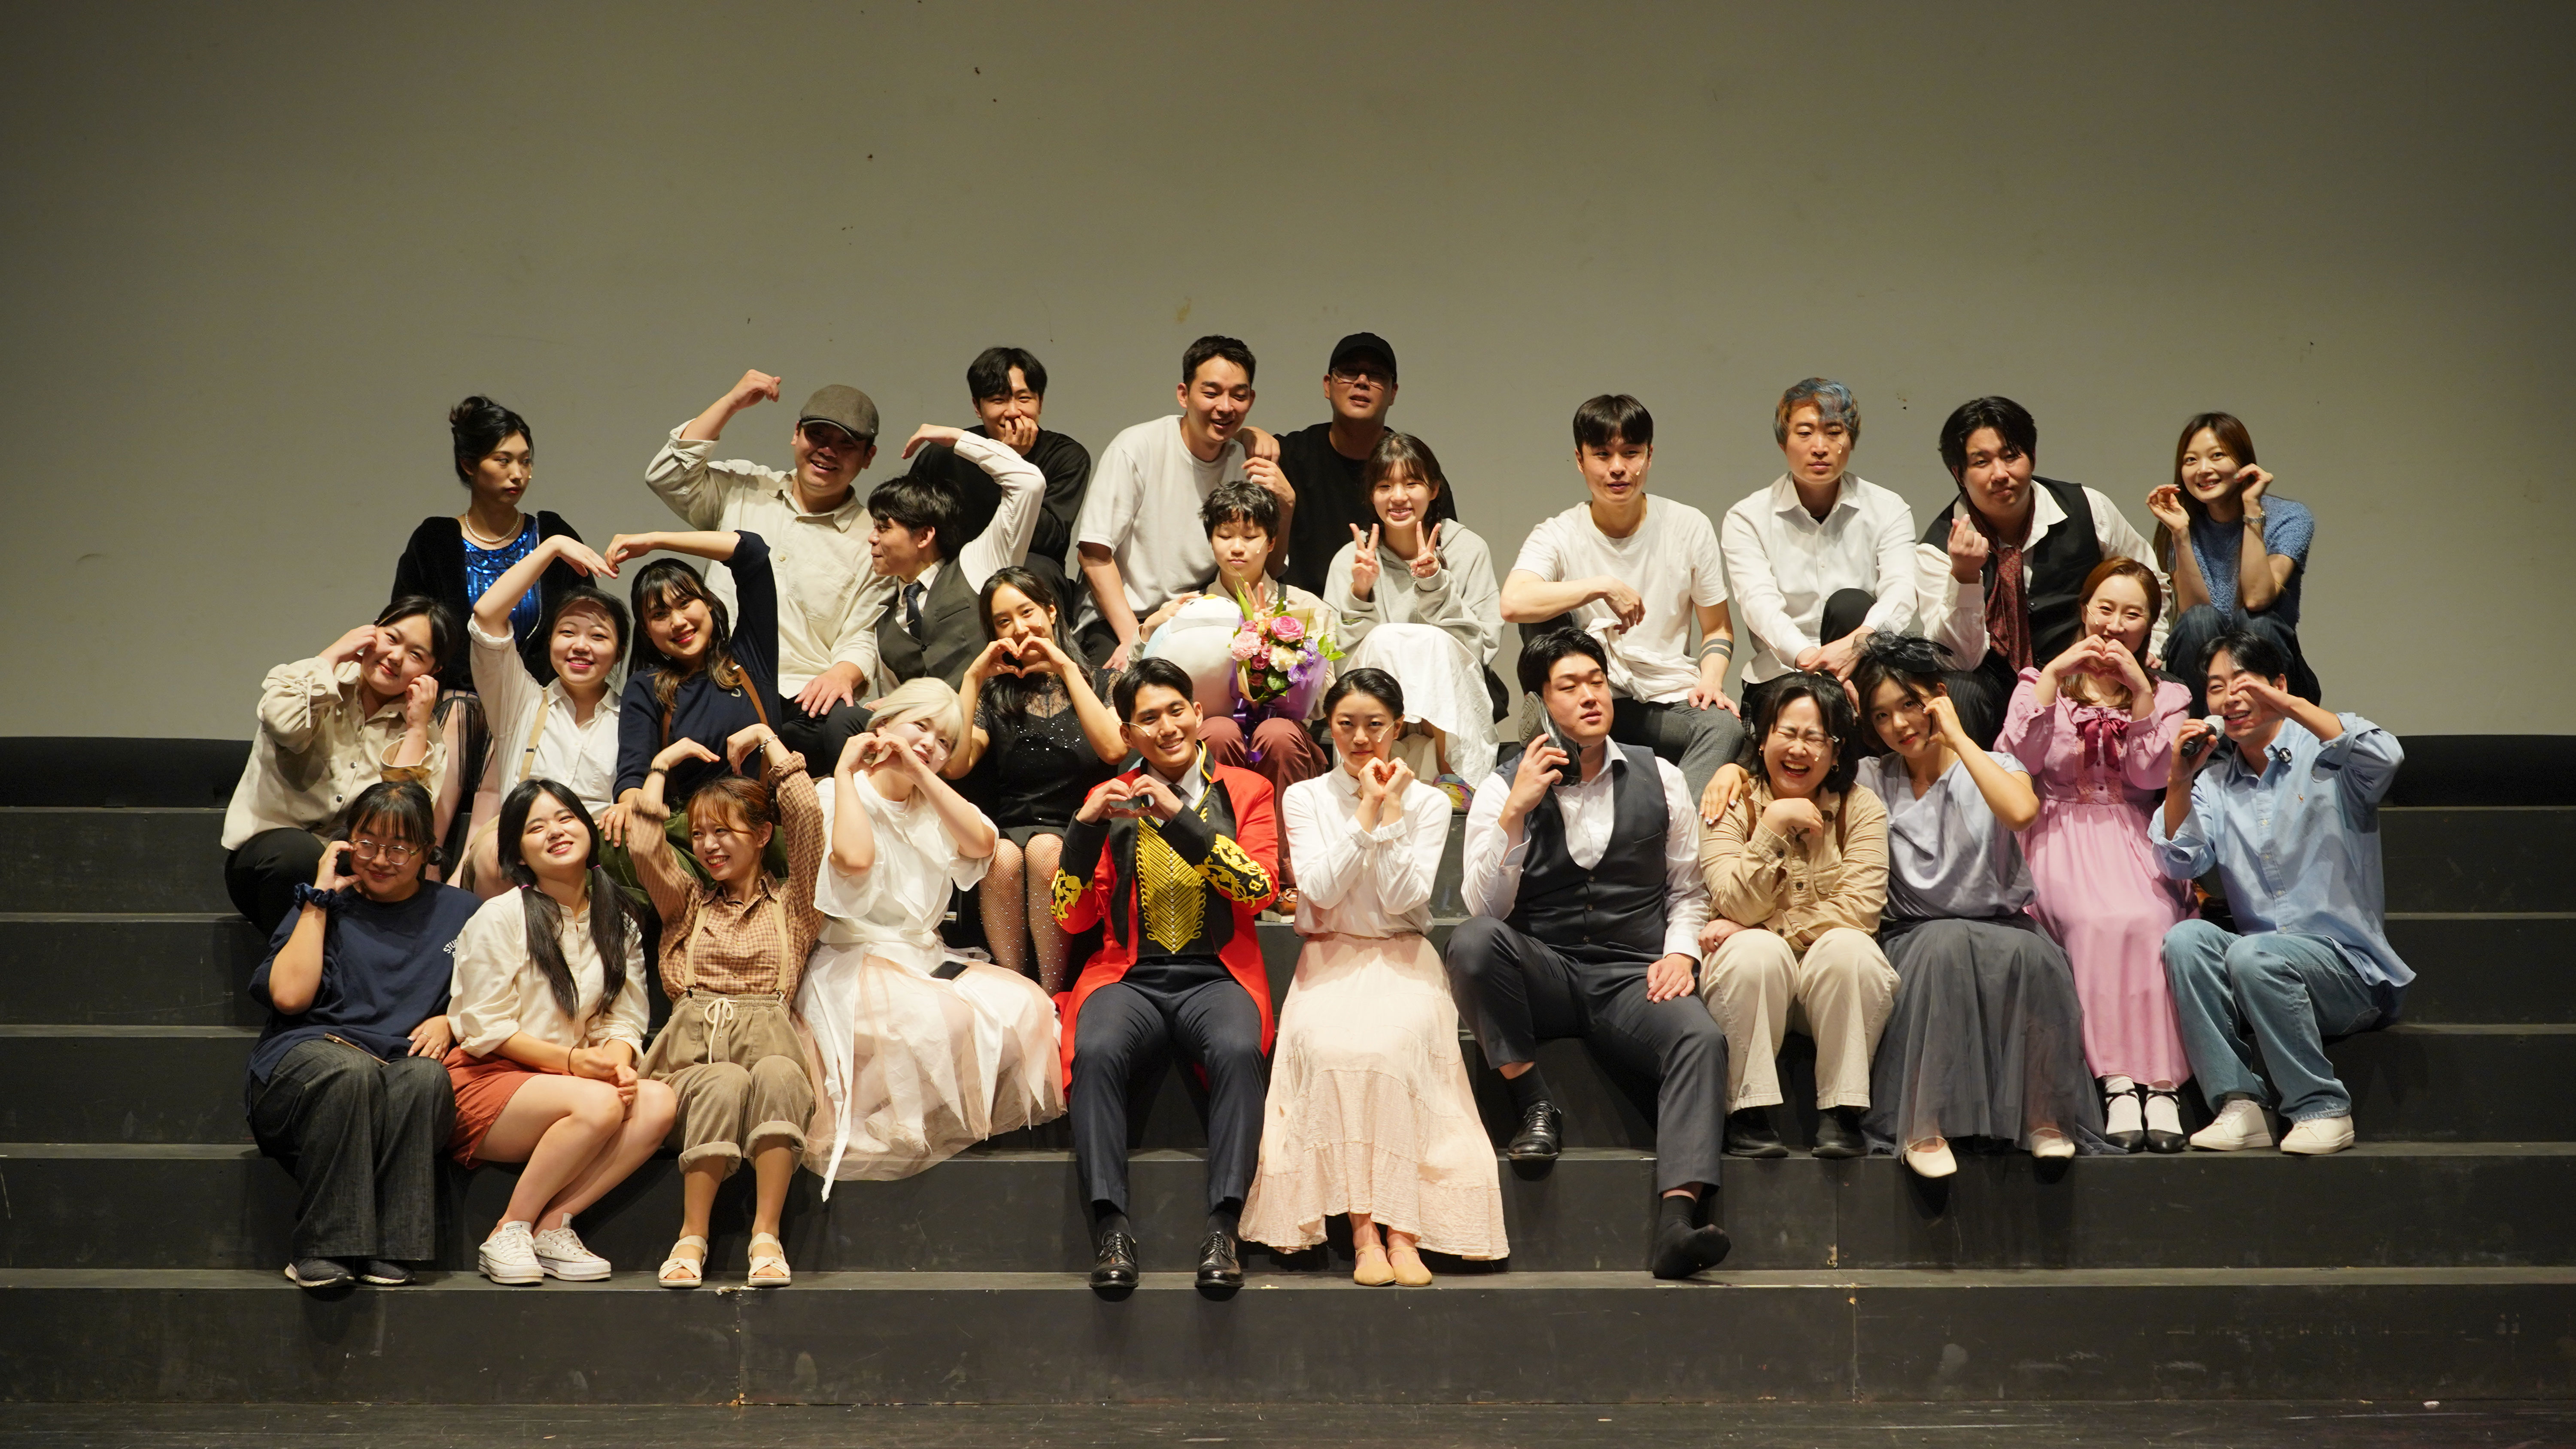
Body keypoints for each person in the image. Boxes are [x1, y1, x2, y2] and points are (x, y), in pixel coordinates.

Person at [1447, 629, 1732, 1281]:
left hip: (1630, 974)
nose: (1589, 696)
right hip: (1542, 969)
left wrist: (1681, 955)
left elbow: (1688, 889)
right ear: (1541, 703)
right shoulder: (1500, 786)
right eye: (1569, 686)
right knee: (1472, 942)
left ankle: (1678, 1222)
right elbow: (1483, 908)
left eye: (1596, 681)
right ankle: (1534, 1102)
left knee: (1700, 1038)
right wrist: (1516, 813)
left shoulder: (1660, 776)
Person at [1240, 670, 1506, 1284]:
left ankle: (1403, 1231)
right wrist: (1367, 808)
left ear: (1398, 726)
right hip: (1329, 955)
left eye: (1375, 725)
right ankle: (1365, 1232)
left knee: (1390, 1052)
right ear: (1328, 727)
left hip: (1402, 955)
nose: (1361, 738)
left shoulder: (1429, 802)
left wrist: (1391, 812)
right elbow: (1320, 889)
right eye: (1346, 725)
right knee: (1335, 1053)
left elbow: (1403, 898)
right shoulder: (1305, 797)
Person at [1051, 657, 1280, 1297]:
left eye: (1177, 710)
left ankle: (1224, 1228)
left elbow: (1259, 888)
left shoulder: (1246, 790)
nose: (1167, 726)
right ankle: (1111, 1228)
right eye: (1148, 718)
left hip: (1219, 974)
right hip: (1129, 977)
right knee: (1096, 1049)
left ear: (1199, 714)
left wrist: (1180, 815)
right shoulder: (1111, 800)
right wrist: (1083, 831)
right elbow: (1071, 916)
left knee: (1238, 1048)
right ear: (1128, 734)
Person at [1847, 634, 2102, 1175]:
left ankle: (2043, 1116)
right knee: (1945, 947)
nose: (1899, 724)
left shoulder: (1998, 764)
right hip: (1917, 932)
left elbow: (2020, 813)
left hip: (2001, 923)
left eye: (1910, 704)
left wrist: (1961, 741)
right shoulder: (1872, 777)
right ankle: (1923, 1125)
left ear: (1939, 697)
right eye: (1882, 715)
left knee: (2035, 957)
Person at [799, 679, 1065, 1185]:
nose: (930, 744)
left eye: (944, 741)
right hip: (856, 959)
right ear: (882, 727)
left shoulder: (934, 802)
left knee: (1029, 1007)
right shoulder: (836, 791)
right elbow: (854, 860)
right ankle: (870, 1117)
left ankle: (893, 1115)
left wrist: (921, 773)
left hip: (923, 957)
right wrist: (845, 771)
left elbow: (983, 844)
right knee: (944, 1018)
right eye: (920, 727)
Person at [2156, 630, 2409, 1158]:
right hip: (2262, 967)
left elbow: (2387, 755)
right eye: (2217, 687)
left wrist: (2291, 707)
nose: (2230, 698)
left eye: (2244, 683)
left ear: (2279, 684)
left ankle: (2322, 1108)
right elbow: (2179, 859)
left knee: (2256, 954)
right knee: (2186, 940)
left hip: (2348, 971)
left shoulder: (2329, 755)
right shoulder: (2215, 781)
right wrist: (2179, 779)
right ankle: (2240, 1105)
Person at [244, 781, 476, 1290]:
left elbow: (493, 995)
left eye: (399, 848)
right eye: (368, 843)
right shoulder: (325, 902)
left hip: (393, 1069)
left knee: (426, 1078)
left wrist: (453, 1020)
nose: (381, 860)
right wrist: (319, 899)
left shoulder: (461, 912)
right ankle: (324, 1246)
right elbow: (289, 997)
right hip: (306, 1064)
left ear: (427, 852)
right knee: (351, 1073)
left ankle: (392, 1246)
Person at [1997, 559, 2196, 1152]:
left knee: (2153, 919)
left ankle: (2161, 1086)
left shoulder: (2170, 694)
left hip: (2131, 832)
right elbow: (2018, 761)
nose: (2114, 624)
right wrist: (2057, 673)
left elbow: (2152, 774)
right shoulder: (2040, 681)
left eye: (2132, 614)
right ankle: (2115, 1081)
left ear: (2149, 624)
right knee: (2093, 921)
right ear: (2085, 611)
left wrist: (2140, 692)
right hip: (2058, 828)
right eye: (2105, 608)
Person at [444, 778, 670, 1285]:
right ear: (518, 854)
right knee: (601, 1102)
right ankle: (508, 1228)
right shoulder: (499, 916)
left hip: (573, 1083)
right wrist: (575, 1064)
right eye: (536, 827)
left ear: (587, 826)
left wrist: (615, 1064)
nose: (556, 831)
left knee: (658, 1101)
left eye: (566, 818)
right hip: (489, 1079)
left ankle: (553, 1226)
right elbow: (484, 1027)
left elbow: (624, 1018)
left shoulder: (619, 920)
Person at [628, 723, 825, 1288]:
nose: (708, 844)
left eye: (723, 831)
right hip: (692, 1068)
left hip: (768, 1054)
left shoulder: (796, 905)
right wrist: (660, 765)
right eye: (698, 834)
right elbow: (643, 847)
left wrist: (767, 738)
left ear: (763, 835)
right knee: (723, 1080)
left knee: (781, 1073)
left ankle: (767, 1236)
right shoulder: (689, 903)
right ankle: (692, 1236)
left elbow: (808, 818)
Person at [646, 370, 894, 771]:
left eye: (846, 444)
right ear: (796, 434)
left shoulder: (873, 539)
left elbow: (863, 633)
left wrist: (843, 675)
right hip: (717, 678)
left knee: (844, 733)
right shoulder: (744, 488)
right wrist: (732, 401)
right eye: (817, 435)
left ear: (869, 457)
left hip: (801, 697)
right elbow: (667, 476)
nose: (827, 451)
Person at [1501, 394, 1744, 801]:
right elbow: (1512, 603)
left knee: (1724, 727)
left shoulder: (1688, 525)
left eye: (1631, 453)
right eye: (1602, 455)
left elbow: (1718, 627)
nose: (1618, 468)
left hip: (1664, 698)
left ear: (1649, 456)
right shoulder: (1559, 533)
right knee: (1544, 617)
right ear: (1580, 461)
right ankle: (1554, 732)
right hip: (1590, 697)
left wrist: (1711, 681)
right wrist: (1601, 586)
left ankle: (1669, 821)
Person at [1695, 673, 1896, 1161]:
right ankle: (1748, 1111)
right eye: (1787, 732)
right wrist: (1772, 825)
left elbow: (1859, 910)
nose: (1799, 749)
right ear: (1763, 738)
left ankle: (1842, 1111)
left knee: (1851, 949)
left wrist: (1765, 927)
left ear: (1836, 750)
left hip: (1828, 987)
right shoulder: (1730, 801)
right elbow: (1734, 902)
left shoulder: (1860, 808)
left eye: (1815, 737)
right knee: (1754, 952)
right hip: (1755, 988)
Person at [1914, 397, 2172, 747]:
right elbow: (1959, 659)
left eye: (2011, 456)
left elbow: (2151, 582)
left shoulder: (2088, 508)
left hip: (2087, 671)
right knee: (1958, 692)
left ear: (2032, 457)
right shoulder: (1937, 548)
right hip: (1995, 684)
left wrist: (2148, 647)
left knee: (2169, 685)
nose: (2000, 474)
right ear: (1959, 474)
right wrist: (1965, 577)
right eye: (1981, 462)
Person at [390, 397, 585, 858]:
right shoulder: (436, 540)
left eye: (526, 461)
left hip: (529, 701)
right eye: (504, 461)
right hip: (455, 702)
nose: (519, 474)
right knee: (462, 712)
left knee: (511, 722)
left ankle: (473, 872)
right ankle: (421, 860)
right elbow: (407, 624)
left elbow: (583, 620)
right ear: (469, 465)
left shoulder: (551, 534)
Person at [1139, 481, 1334, 882]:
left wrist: (1279, 658)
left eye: (1250, 536)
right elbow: (1147, 685)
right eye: (1225, 535)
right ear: (1211, 540)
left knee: (1278, 734)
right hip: (1216, 729)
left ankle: (1288, 874)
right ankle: (1217, 869)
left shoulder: (1304, 608)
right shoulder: (1190, 610)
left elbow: (1323, 700)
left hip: (1283, 736)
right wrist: (1149, 630)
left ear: (1271, 541)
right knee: (1217, 731)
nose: (1237, 548)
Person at [942, 566, 1127, 990]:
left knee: (1045, 849)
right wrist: (972, 677)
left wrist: (1065, 667)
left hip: (1082, 829)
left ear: (1051, 611)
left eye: (1027, 612)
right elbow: (956, 765)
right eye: (1003, 621)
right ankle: (1015, 990)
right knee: (1001, 856)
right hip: (1014, 829)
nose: (1020, 628)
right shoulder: (994, 696)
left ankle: (1051, 991)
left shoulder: (1104, 683)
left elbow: (1113, 749)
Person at [222, 600, 450, 934]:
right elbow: (284, 726)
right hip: (270, 863)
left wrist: (416, 728)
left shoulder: (422, 727)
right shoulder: (310, 681)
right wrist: (331, 656)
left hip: (353, 868)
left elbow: (403, 814)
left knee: (386, 873)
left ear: (433, 671)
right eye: (391, 638)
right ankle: (291, 963)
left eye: (416, 655)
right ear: (372, 629)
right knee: (298, 856)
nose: (396, 657)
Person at [1070, 335, 1293, 669]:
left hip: (1200, 619)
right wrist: (1136, 640)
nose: (1225, 406)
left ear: (1251, 399)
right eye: (1211, 393)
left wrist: (1287, 505)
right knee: (1125, 688)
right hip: (1122, 620)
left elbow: (1268, 569)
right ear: (1183, 394)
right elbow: (1093, 554)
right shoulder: (1136, 448)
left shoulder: (1245, 463)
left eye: (1238, 395)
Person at [1717, 379, 1917, 738]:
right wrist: (1814, 662)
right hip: (1783, 674)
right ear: (1783, 443)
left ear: (1851, 440)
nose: (1820, 447)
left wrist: (1856, 645)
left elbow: (1901, 592)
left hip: (1866, 669)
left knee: (1850, 605)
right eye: (1805, 433)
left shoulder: (1888, 509)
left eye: (1834, 432)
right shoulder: (1747, 518)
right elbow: (1759, 605)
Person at [1322, 430, 1503, 798]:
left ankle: (1452, 777)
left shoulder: (1467, 549)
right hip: (1377, 716)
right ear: (1371, 495)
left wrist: (1435, 584)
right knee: (1384, 638)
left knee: (1431, 640)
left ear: (1434, 489)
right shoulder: (1352, 559)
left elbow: (1480, 648)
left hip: (1453, 705)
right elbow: (1340, 663)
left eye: (1412, 483)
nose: (1398, 497)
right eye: (1385, 486)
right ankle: (1377, 770)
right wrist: (1360, 592)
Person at [601, 529, 785, 882]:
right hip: (696, 844)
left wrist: (654, 540)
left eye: (686, 603)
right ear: (647, 631)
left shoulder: (750, 659)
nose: (678, 622)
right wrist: (629, 806)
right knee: (616, 845)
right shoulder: (646, 686)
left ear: (709, 603)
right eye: (660, 614)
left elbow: (752, 553)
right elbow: (632, 781)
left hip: (762, 833)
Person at [456, 535, 629, 897]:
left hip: (599, 861)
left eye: (598, 636)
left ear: (619, 653)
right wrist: (551, 548)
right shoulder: (521, 701)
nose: (580, 646)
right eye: (568, 632)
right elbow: (487, 616)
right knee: (493, 856)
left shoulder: (632, 718)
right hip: (519, 856)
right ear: (550, 640)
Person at [1239, 332, 1459, 597]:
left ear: (1393, 393)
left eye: (1376, 375)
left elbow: (1447, 552)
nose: (1362, 382)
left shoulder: (1415, 471)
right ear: (1327, 385)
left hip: (1387, 611)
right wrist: (1246, 435)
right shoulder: (1287, 456)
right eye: (1349, 372)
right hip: (1300, 613)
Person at [890, 346, 1094, 609]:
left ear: (1040, 403)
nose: (1013, 411)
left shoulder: (1067, 456)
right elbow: (907, 523)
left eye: (1024, 399)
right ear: (978, 407)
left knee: (1033, 571)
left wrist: (1007, 463)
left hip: (1030, 571)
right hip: (955, 571)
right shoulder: (945, 453)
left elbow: (1047, 538)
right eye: (999, 400)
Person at [2144, 412, 2322, 714]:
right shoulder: (2183, 521)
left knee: (2256, 622)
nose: (2204, 470)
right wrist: (2181, 535)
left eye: (2217, 456)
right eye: (2191, 460)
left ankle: (2266, 733)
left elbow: (2257, 598)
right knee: (2200, 621)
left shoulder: (2290, 517)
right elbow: (2194, 617)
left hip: (2277, 670)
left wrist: (2252, 510)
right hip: (2205, 682)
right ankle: (2206, 736)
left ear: (2243, 461)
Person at [862, 424, 1047, 691]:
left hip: (998, 712)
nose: (872, 538)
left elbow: (1029, 483)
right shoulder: (884, 621)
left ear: (924, 536)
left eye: (884, 528)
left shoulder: (977, 564)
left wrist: (957, 439)